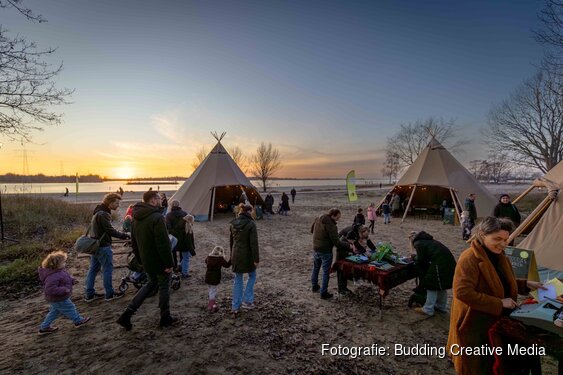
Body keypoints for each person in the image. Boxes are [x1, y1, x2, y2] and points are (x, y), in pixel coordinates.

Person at [447, 217, 544, 374]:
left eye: (506, 239)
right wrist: (499, 303)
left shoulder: (500, 255)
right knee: (476, 366)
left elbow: (501, 279)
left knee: (494, 364)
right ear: (482, 235)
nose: (503, 243)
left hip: (495, 321)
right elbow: (462, 292)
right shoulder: (469, 258)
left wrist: (525, 284)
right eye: (497, 239)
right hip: (474, 323)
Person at [116, 190, 177, 330]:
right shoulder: (157, 217)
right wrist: (169, 263)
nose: (161, 201)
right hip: (159, 261)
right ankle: (165, 317)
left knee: (150, 284)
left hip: (147, 260)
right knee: (163, 287)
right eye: (159, 198)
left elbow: (134, 240)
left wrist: (139, 259)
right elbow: (163, 244)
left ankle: (127, 314)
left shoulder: (136, 216)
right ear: (153, 201)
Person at [84, 193, 130, 302]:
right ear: (110, 203)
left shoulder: (97, 211)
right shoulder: (103, 214)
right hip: (103, 246)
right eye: (116, 203)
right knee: (107, 269)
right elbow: (110, 230)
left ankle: (89, 294)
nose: (118, 206)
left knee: (93, 269)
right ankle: (109, 294)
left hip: (95, 245)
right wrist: (124, 235)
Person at [38, 251, 91, 335]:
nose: (65, 263)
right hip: (58, 298)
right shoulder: (52, 276)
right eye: (63, 262)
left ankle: (44, 327)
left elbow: (65, 278)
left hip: (57, 298)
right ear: (56, 264)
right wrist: (63, 290)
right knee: (70, 307)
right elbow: (50, 289)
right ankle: (78, 320)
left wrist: (72, 280)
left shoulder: (59, 271)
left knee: (54, 312)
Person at [408, 231, 456, 316]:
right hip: (448, 263)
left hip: (440, 264)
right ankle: (441, 306)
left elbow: (421, 259)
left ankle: (428, 309)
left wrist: (413, 257)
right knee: (440, 285)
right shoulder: (427, 240)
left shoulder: (418, 243)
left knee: (431, 285)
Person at [310, 208, 351, 299]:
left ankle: (314, 286)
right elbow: (337, 243)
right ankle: (323, 293)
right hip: (325, 251)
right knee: (325, 272)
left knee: (316, 268)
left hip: (315, 248)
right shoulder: (331, 226)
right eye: (337, 217)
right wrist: (348, 245)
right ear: (333, 215)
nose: (338, 219)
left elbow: (312, 230)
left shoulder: (318, 218)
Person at [230, 204, 259, 316]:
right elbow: (254, 243)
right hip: (247, 255)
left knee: (238, 279)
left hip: (236, 254)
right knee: (252, 276)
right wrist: (256, 259)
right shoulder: (251, 224)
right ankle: (247, 300)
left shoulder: (233, 223)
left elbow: (231, 242)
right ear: (249, 212)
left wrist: (231, 256)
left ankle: (235, 306)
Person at [336, 225, 374, 295]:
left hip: (347, 257)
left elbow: (357, 246)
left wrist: (357, 253)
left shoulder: (353, 236)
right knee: (341, 272)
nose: (353, 242)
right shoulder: (346, 240)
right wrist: (351, 253)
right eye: (352, 241)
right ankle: (341, 289)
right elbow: (343, 249)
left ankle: (344, 287)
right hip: (341, 259)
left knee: (345, 272)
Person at [166, 200, 195, 277]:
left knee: (173, 253)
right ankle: (182, 269)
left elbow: (168, 228)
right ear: (179, 205)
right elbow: (187, 227)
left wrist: (173, 233)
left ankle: (175, 267)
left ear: (172, 206)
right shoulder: (184, 213)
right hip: (183, 238)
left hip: (174, 237)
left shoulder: (168, 215)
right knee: (183, 254)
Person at [205, 246, 231, 312]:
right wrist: (231, 259)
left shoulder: (209, 257)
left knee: (211, 290)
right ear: (221, 252)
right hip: (215, 277)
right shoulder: (220, 259)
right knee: (213, 291)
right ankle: (211, 306)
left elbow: (205, 261)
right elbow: (227, 265)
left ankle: (212, 304)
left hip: (208, 276)